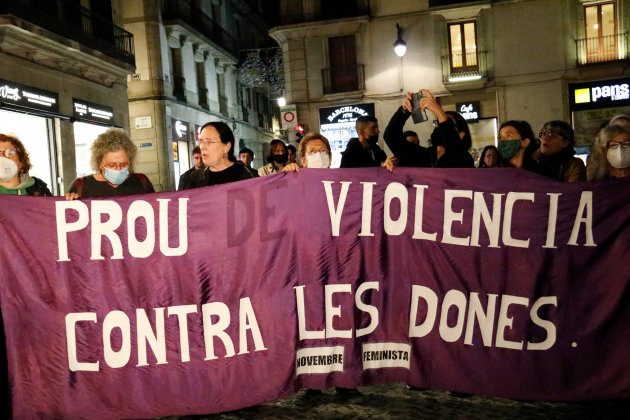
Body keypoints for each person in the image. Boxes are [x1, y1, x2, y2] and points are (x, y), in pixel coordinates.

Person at [383, 89, 474, 168]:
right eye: (439, 121)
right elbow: (391, 136)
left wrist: (439, 113)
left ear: (461, 135)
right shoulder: (423, 155)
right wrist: (404, 111)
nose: (440, 125)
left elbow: (455, 154)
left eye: (447, 123)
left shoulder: (465, 159)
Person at [66, 128, 154, 199]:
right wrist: (71, 201)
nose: (118, 169)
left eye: (123, 164)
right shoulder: (81, 186)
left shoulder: (141, 182)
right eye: (112, 165)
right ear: (99, 162)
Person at [188, 121, 253, 187]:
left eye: (208, 142)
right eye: (201, 141)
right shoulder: (192, 179)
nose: (202, 147)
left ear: (227, 146)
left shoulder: (248, 177)